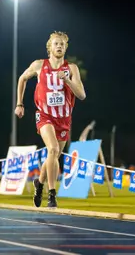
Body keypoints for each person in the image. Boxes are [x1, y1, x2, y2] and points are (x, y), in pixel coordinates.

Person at [14, 31, 86, 208]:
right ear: (50, 47)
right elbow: (22, 79)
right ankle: (52, 194)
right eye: (56, 43)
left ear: (65, 47)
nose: (59, 46)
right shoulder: (39, 65)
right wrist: (20, 103)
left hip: (63, 118)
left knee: (53, 155)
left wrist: (68, 80)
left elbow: (82, 95)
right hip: (44, 115)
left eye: (62, 44)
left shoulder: (72, 69)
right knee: (52, 149)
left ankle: (39, 183)